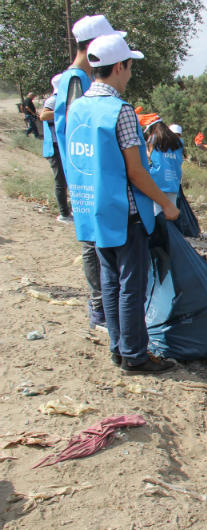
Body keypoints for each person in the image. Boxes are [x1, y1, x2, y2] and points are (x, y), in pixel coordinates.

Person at [64, 33, 179, 373]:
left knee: (110, 282)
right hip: (125, 213)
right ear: (119, 67)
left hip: (93, 209)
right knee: (132, 286)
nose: (129, 74)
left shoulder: (77, 108)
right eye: (129, 67)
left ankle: (118, 348)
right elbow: (136, 171)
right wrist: (166, 204)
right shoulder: (121, 111)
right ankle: (135, 355)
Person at [54, 14, 123, 330]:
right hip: (86, 173)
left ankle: (103, 306)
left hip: (88, 172)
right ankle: (99, 308)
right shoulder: (76, 80)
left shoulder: (77, 79)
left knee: (97, 243)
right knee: (93, 244)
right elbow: (78, 127)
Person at [39, 74, 72, 223]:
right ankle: (64, 214)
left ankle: (69, 209)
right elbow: (43, 115)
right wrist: (62, 112)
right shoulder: (53, 100)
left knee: (67, 178)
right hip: (54, 146)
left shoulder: (63, 100)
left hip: (62, 145)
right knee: (60, 180)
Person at [138, 113, 183, 214]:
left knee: (157, 213)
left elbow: (150, 156)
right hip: (173, 181)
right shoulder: (179, 141)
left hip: (157, 181)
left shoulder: (154, 138)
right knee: (171, 211)